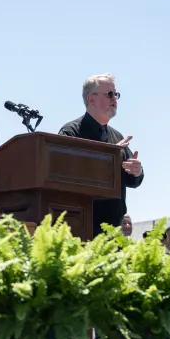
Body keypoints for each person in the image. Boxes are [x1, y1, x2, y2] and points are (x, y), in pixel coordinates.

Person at [57, 74, 144, 233]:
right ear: (91, 99)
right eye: (109, 94)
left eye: (115, 94)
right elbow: (65, 175)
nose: (114, 99)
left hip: (114, 230)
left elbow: (133, 180)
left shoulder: (117, 137)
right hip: (82, 226)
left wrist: (136, 171)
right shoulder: (71, 132)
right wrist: (107, 158)